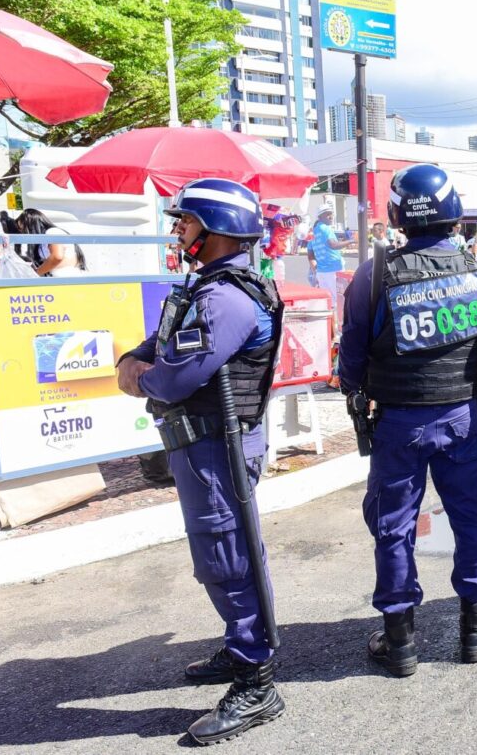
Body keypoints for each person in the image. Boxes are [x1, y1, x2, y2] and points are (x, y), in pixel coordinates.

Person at [114, 179, 285, 745]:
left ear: (214, 230)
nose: (177, 230)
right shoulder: (207, 287)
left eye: (185, 222)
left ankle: (255, 679)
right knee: (225, 553)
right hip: (207, 445)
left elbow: (174, 375)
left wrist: (138, 377)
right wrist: (136, 362)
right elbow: (159, 343)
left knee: (228, 559)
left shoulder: (225, 297)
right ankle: (242, 649)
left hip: (219, 448)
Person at [338, 164, 477, 676]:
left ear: (396, 214)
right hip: (461, 418)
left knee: (394, 530)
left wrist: (358, 393)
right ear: (454, 215)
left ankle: (401, 644)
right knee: (471, 520)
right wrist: (475, 408)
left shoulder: (375, 273)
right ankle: (473, 636)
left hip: (398, 424)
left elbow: (351, 356)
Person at [308, 204, 355, 318]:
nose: (331, 216)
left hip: (322, 272)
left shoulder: (314, 231)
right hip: (333, 270)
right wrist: (351, 241)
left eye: (331, 213)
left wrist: (314, 267)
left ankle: (331, 327)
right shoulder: (326, 228)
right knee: (340, 300)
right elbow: (333, 245)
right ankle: (340, 327)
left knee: (329, 302)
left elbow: (311, 253)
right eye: (327, 214)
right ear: (320, 217)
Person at [16, 209, 83, 276]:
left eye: (23, 228)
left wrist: (36, 273)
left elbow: (57, 256)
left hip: (67, 278)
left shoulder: (52, 232)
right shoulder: (43, 241)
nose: (23, 232)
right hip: (59, 278)